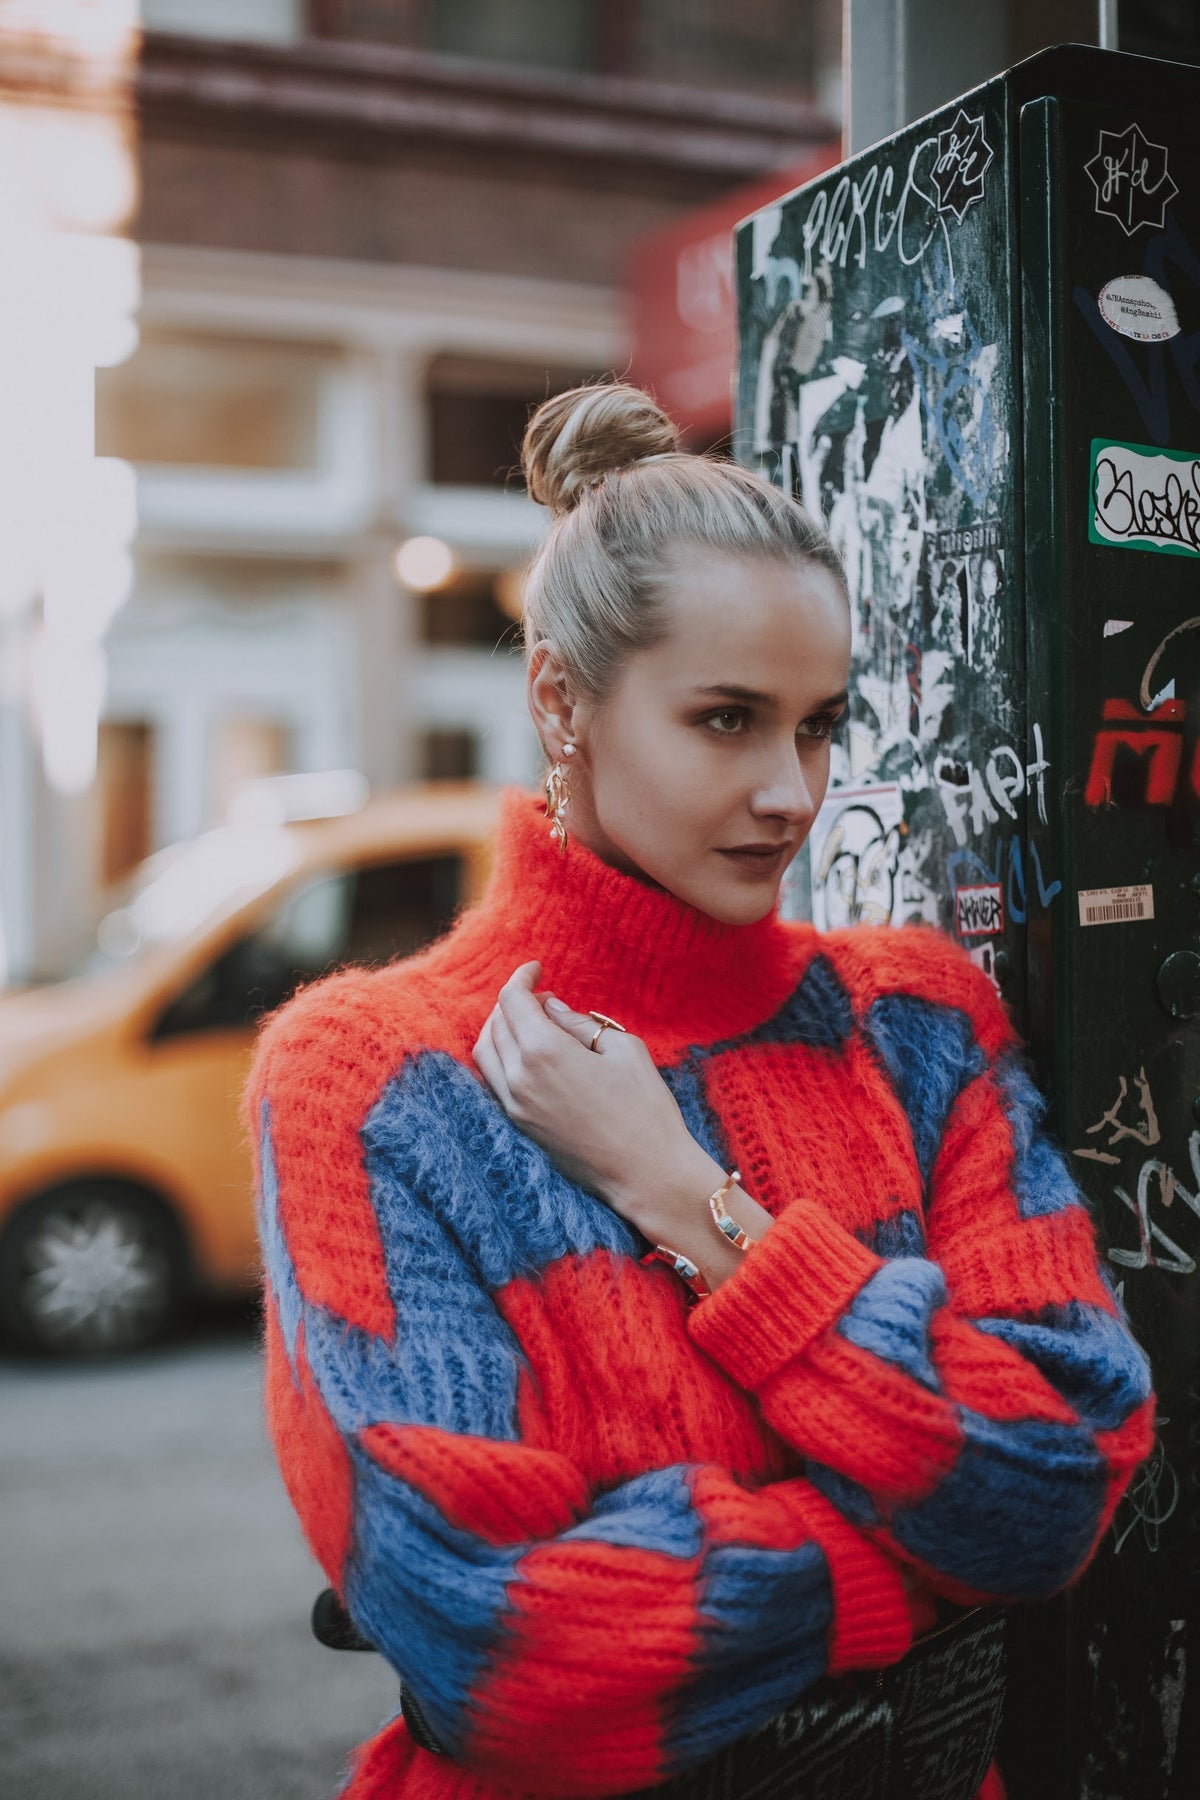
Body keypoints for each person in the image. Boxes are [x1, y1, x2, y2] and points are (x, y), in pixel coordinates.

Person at [247, 383, 1154, 1800]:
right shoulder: (372, 1079)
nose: (794, 792)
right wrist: (910, 1568)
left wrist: (690, 1201)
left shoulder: (912, 1023)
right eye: (727, 720)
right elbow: (491, 1639)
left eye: (816, 725)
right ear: (562, 698)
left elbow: (1057, 1477)